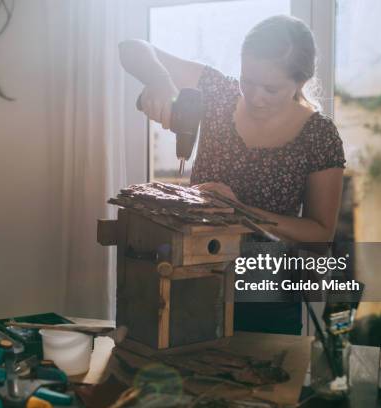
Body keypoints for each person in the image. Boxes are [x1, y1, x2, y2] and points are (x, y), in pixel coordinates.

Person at [118, 15, 345, 335]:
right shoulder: (218, 92)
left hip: (267, 298)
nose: (255, 97)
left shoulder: (320, 136)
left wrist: (239, 211)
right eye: (247, 80)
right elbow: (131, 47)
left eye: (271, 88)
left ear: (300, 81)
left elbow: (320, 234)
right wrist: (159, 81)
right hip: (194, 280)